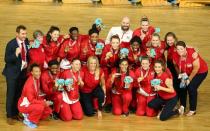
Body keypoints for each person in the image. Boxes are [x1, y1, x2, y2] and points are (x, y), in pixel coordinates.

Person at [2, 25, 29, 125]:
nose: (24, 36)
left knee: (18, 94)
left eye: (25, 33)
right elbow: (6, 59)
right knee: (11, 95)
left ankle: (15, 113)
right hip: (12, 74)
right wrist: (15, 54)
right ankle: (9, 115)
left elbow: (27, 54)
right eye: (22, 34)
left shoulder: (26, 42)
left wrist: (26, 62)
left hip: (22, 73)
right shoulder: (11, 44)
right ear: (17, 34)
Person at [173, 41, 208, 116]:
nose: (179, 51)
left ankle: (193, 109)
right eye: (178, 49)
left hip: (200, 72)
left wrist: (189, 79)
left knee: (191, 87)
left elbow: (196, 68)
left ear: (185, 48)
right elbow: (176, 65)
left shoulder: (192, 53)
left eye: (181, 49)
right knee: (182, 86)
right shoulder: (175, 55)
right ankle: (183, 106)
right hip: (186, 72)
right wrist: (180, 74)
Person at [18, 64, 52, 128]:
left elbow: (37, 93)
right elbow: (31, 100)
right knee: (40, 107)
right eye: (36, 71)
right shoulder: (29, 84)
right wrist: (44, 103)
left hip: (31, 102)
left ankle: (30, 115)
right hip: (25, 105)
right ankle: (28, 120)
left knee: (48, 110)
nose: (38, 73)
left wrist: (43, 100)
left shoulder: (36, 79)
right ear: (32, 72)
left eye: (39, 71)